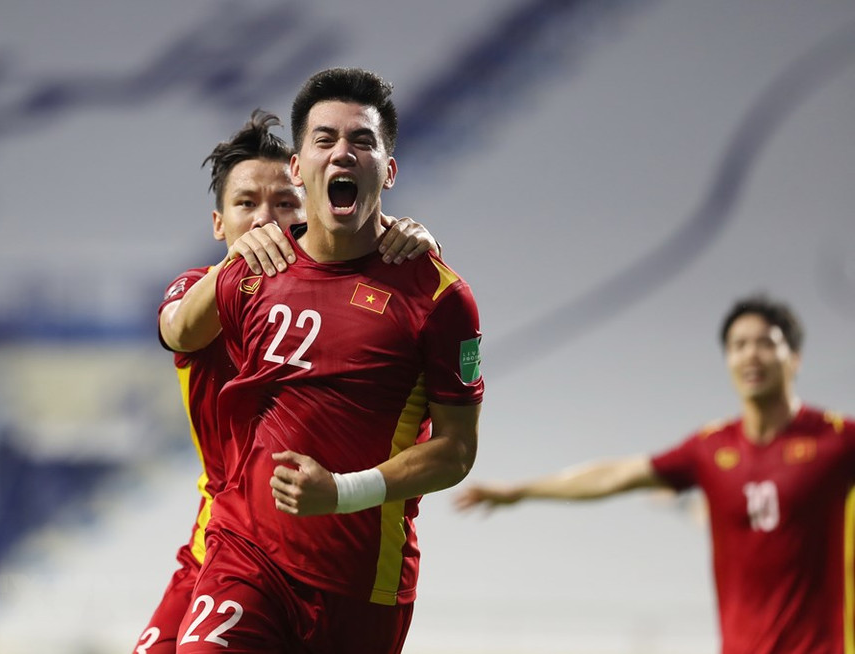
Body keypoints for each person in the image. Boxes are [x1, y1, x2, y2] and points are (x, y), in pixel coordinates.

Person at [173, 68, 484, 654]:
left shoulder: (440, 299)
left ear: (388, 171)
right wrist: (225, 264)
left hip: (362, 583)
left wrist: (342, 492)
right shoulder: (251, 269)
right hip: (248, 555)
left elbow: (457, 451)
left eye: (362, 142)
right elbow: (177, 330)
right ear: (298, 167)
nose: (342, 153)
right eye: (324, 140)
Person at [456, 294, 855, 654]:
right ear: (728, 360)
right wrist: (521, 491)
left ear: (795, 357)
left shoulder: (837, 441)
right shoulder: (711, 449)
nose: (751, 355)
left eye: (766, 343)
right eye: (738, 345)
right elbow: (614, 476)